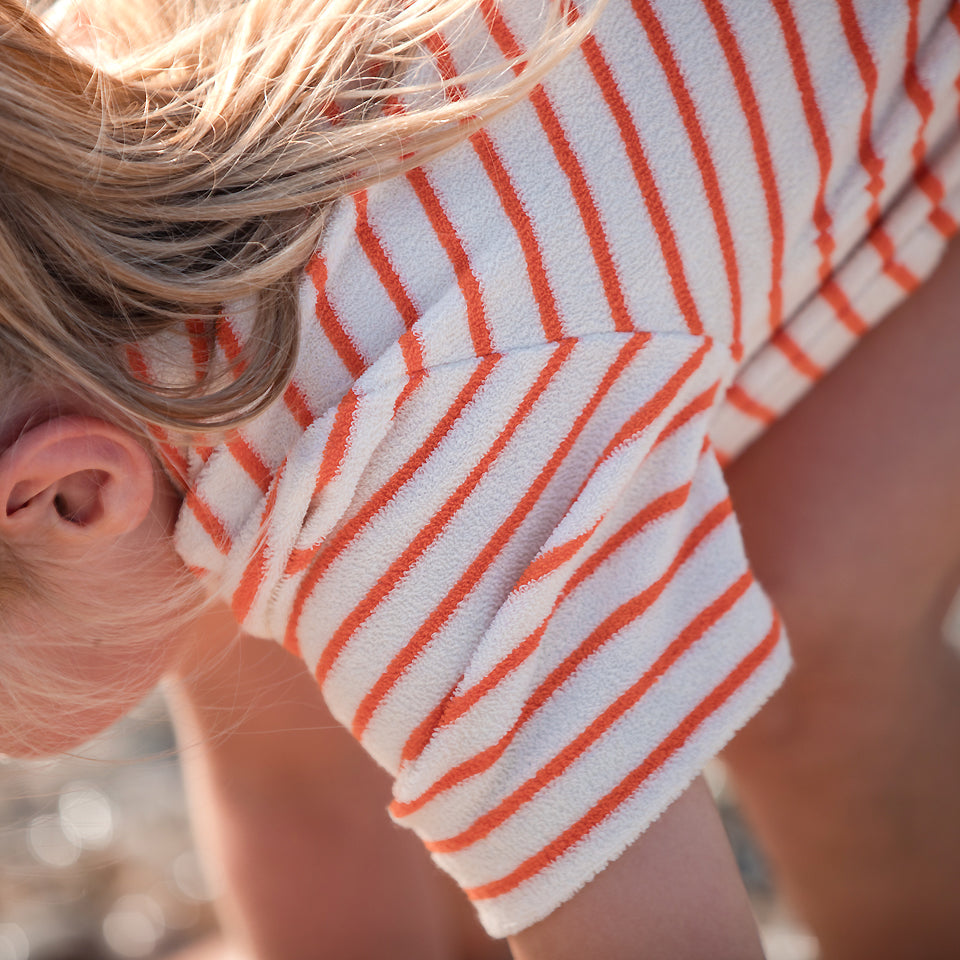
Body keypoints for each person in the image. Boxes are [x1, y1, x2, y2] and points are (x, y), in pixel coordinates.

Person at [0, 0, 958, 956]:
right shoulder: (71, 160)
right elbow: (293, 793)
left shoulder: (409, 494)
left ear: (75, 495)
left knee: (812, 631)